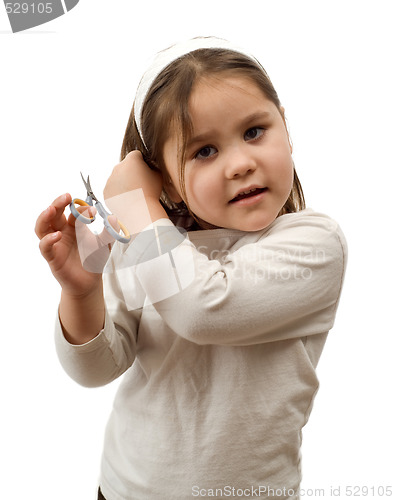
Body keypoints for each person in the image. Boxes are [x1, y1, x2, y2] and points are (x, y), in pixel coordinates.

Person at [35, 37, 348, 500]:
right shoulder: (148, 242)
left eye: (255, 131)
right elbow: (97, 369)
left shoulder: (315, 244)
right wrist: (82, 294)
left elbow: (203, 310)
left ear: (285, 123)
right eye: (203, 151)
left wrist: (136, 205)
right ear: (168, 185)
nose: (240, 164)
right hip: (125, 488)